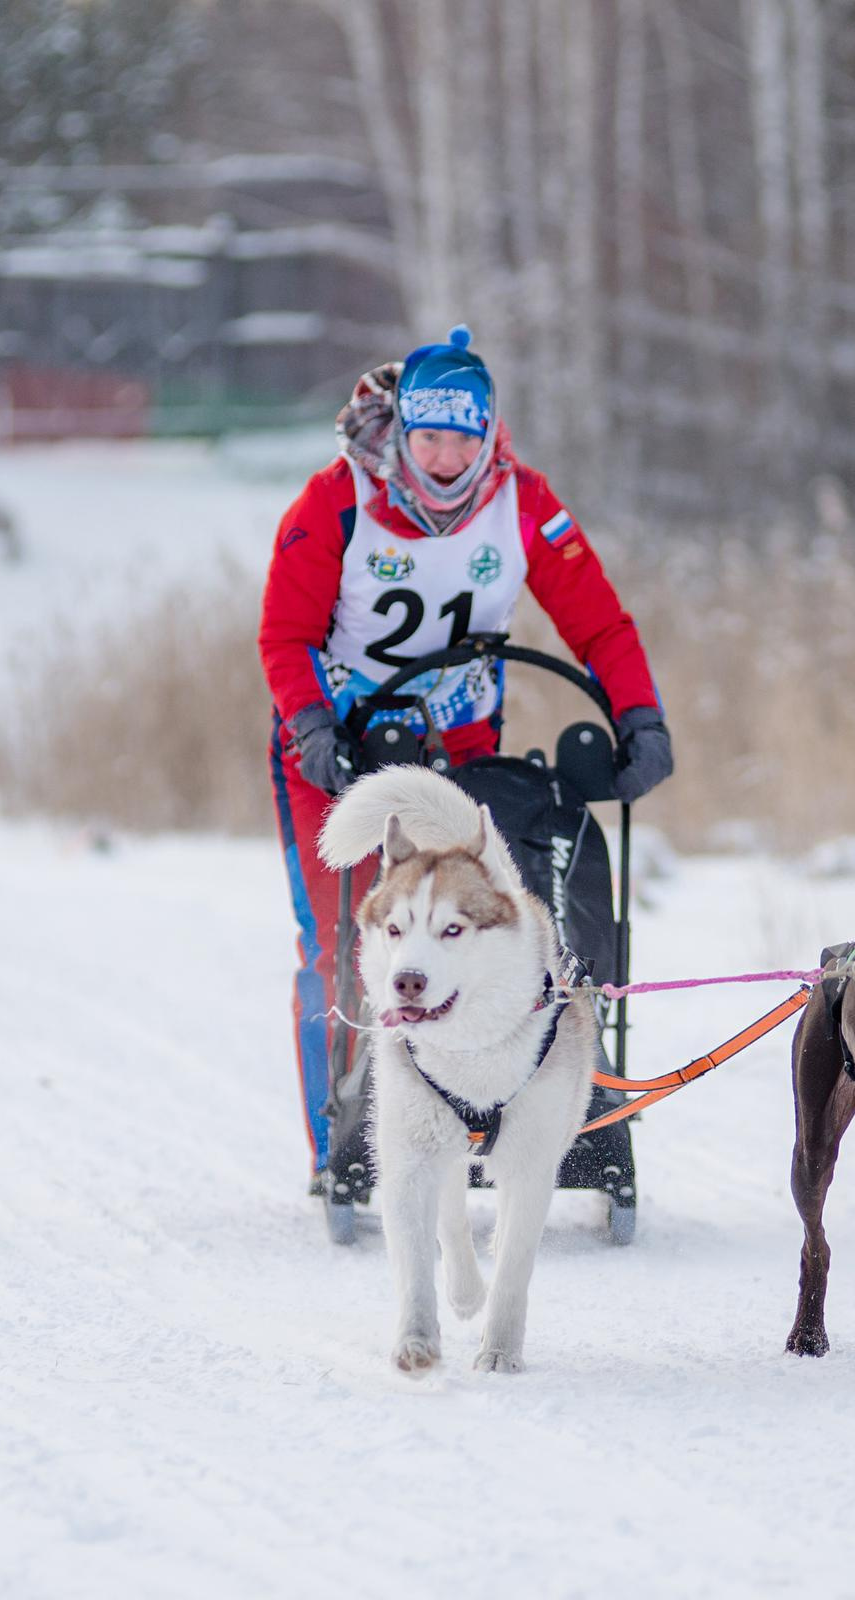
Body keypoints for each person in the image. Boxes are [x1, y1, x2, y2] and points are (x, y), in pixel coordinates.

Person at [258, 325, 673, 1186]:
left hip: (460, 742)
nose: (446, 457)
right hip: (336, 745)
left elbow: (596, 620)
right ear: (401, 432)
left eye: (463, 437)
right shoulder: (338, 500)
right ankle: (344, 1134)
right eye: (429, 436)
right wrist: (310, 724)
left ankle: (482, 1115)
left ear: (489, 434)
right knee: (343, 938)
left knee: (474, 932)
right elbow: (286, 632)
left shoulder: (521, 500)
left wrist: (640, 715)